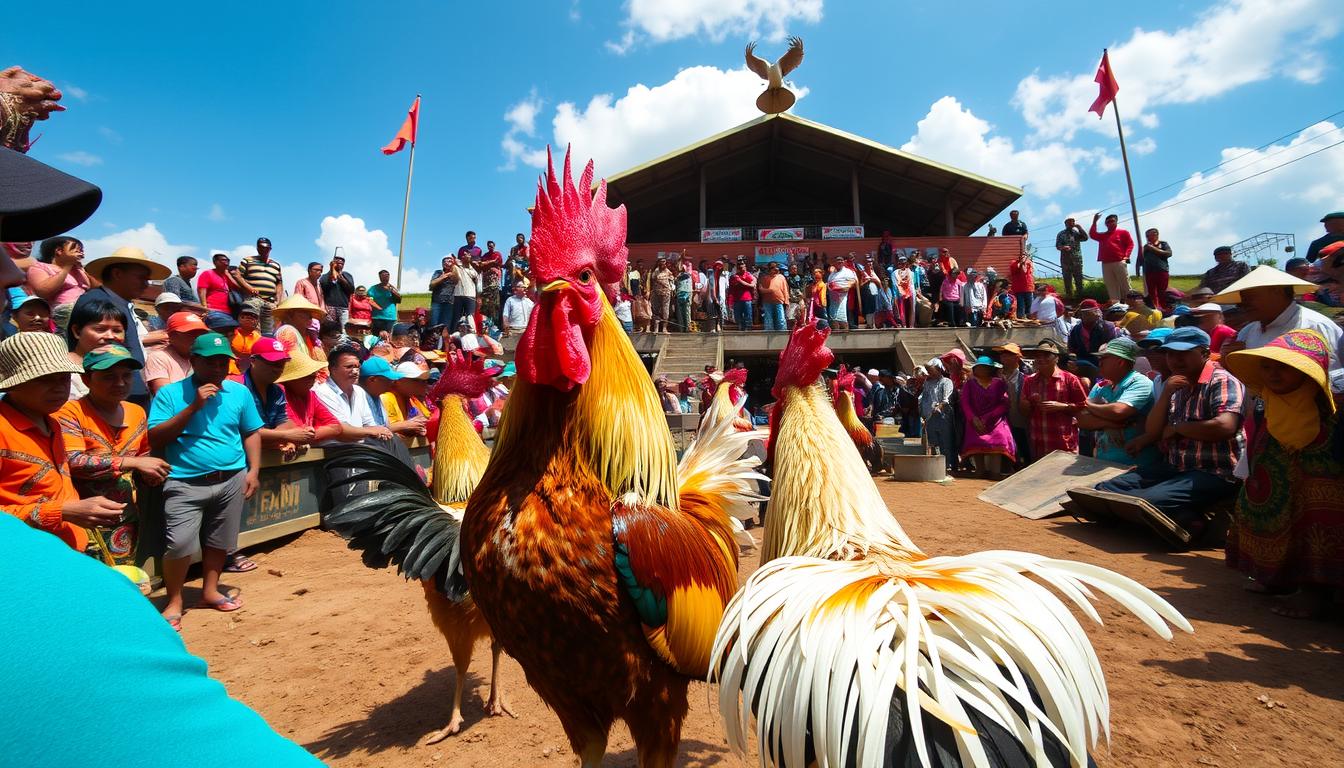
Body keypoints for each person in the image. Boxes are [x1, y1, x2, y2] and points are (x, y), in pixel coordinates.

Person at [1224, 330, 1343, 619]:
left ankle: (1315, 593)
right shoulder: (1266, 402)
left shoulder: (1332, 409)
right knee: (1267, 517)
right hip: (1271, 473)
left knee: (1315, 523)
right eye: (1267, 367)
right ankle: (1276, 578)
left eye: (1285, 368)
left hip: (1319, 479)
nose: (1274, 375)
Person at [148, 332, 263, 629]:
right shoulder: (171, 394)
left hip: (231, 477)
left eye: (223, 362)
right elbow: (156, 436)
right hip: (185, 480)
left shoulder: (239, 393)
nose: (218, 369)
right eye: (210, 362)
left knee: (219, 542)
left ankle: (210, 591)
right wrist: (193, 407)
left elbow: (251, 431)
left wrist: (253, 470)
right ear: (194, 360)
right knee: (179, 544)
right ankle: (175, 600)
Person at [0, 332, 124, 551]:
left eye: (64, 377)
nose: (59, 387)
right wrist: (63, 511)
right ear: (13, 384)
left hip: (66, 551)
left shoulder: (52, 422)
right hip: (23, 558)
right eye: (45, 379)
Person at [56, 344, 169, 565]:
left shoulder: (136, 412)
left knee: (124, 572)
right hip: (83, 515)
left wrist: (151, 474)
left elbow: (143, 454)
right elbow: (74, 461)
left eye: (126, 376)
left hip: (124, 515)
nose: (120, 383)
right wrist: (133, 462)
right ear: (87, 379)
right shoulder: (70, 412)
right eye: (109, 377)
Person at [1215, 266, 1343, 393]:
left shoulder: (1314, 326)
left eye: (1249, 297)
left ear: (1277, 291)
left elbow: (1334, 380)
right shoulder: (1247, 332)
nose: (1241, 304)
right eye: (1242, 299)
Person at [73, 246, 171, 404]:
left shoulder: (123, 304)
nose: (146, 284)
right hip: (113, 392)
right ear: (117, 274)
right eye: (141, 278)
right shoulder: (98, 302)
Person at [1075, 338, 1158, 467]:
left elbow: (1118, 411)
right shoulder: (1100, 386)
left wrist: (1088, 405)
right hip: (1103, 461)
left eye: (1104, 359)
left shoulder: (1140, 383)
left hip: (1134, 465)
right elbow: (1082, 419)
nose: (1099, 362)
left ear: (1120, 362)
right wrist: (1107, 423)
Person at [232, 337, 309, 460]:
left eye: (281, 365)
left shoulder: (277, 390)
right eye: (272, 363)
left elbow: (284, 422)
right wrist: (286, 436)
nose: (277, 369)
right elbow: (244, 430)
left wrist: (284, 436)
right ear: (253, 361)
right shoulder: (236, 387)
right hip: (238, 458)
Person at [1021, 338, 1088, 458]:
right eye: (1038, 356)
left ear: (1056, 358)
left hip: (1063, 442)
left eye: (1046, 355)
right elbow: (1024, 411)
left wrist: (1063, 406)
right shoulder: (1029, 381)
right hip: (1039, 441)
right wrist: (1029, 402)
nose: (1041, 359)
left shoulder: (1070, 379)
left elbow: (1084, 407)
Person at [315, 345, 395, 443]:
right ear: (332, 369)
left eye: (357, 367)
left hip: (362, 448)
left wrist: (380, 431)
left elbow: (369, 423)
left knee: (394, 443)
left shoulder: (359, 391)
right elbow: (341, 429)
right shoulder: (322, 392)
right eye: (349, 367)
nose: (355, 371)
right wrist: (372, 431)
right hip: (337, 451)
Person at [960, 356, 1015, 478]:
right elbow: (965, 403)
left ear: (990, 369)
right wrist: (973, 418)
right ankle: (980, 469)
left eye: (984, 367)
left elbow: (1004, 403)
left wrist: (990, 417)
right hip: (975, 420)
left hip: (995, 420)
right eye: (979, 367)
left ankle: (995, 471)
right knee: (975, 439)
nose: (981, 370)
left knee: (999, 437)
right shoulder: (969, 384)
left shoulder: (999, 383)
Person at [275, 347, 342, 446]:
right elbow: (291, 429)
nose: (313, 378)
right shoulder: (280, 393)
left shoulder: (311, 395)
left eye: (314, 374)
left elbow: (336, 427)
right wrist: (302, 435)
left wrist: (307, 435)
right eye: (307, 376)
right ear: (291, 379)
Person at [144, 311, 209, 396]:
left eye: (200, 334)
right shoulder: (159, 357)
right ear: (172, 335)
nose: (196, 338)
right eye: (191, 333)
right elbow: (165, 396)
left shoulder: (204, 357)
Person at [234, 237, 285, 334]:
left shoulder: (276, 265)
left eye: (266, 248)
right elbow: (237, 276)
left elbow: (279, 283)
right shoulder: (247, 261)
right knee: (252, 329)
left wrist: (278, 300)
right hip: (253, 299)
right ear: (257, 248)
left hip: (270, 302)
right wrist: (249, 288)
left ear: (270, 249)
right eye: (261, 247)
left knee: (268, 332)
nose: (264, 249)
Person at [27, 235, 91, 309]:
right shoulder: (39, 267)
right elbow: (43, 291)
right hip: (62, 313)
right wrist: (68, 265)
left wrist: (82, 270)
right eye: (75, 249)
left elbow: (97, 287)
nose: (80, 252)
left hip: (86, 311)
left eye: (81, 250)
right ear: (59, 251)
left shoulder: (78, 270)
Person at [994, 343, 1030, 464]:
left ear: (1017, 357)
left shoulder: (1025, 376)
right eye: (1002, 355)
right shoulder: (997, 376)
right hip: (1001, 421)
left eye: (1008, 355)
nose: (1003, 357)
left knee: (1024, 447)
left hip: (1020, 419)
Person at [919, 360, 956, 473]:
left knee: (945, 440)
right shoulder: (927, 383)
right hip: (929, 416)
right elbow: (923, 398)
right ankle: (936, 465)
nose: (930, 372)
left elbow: (946, 398)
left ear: (939, 369)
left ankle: (949, 464)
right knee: (933, 441)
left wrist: (939, 406)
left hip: (943, 416)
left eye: (932, 369)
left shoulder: (946, 381)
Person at [1089, 212, 1135, 302]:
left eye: (1112, 221)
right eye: (1108, 222)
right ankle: (1116, 307)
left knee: (1125, 285)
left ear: (1116, 222)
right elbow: (1092, 234)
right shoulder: (1102, 235)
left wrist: (1126, 256)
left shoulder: (1123, 232)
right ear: (1106, 224)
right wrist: (1094, 221)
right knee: (1111, 286)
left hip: (1119, 261)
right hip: (1106, 263)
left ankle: (1132, 304)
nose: (1110, 223)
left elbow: (1130, 244)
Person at [271, 294, 326, 363]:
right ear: (290, 315)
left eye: (309, 312)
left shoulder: (307, 336)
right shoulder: (287, 331)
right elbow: (291, 361)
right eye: (304, 312)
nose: (310, 315)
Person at [1067, 298, 1119, 367]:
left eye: (1094, 312)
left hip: (1101, 360)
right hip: (1082, 360)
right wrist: (1072, 358)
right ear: (1081, 315)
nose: (1095, 314)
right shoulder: (1076, 329)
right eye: (1086, 313)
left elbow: (1111, 347)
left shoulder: (1107, 327)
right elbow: (1071, 347)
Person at [1055, 217, 1089, 297]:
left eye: (1073, 222)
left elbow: (1085, 238)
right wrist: (1064, 247)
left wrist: (1080, 228)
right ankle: (1070, 298)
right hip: (1065, 260)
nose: (1071, 224)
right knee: (1067, 280)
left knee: (1079, 279)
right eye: (1069, 222)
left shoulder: (1076, 233)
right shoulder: (1061, 234)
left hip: (1077, 260)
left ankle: (1080, 297)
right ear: (1065, 224)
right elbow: (1058, 246)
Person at [1140, 228, 1172, 311]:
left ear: (1156, 234)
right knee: (1152, 292)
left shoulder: (1163, 244)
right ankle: (1155, 309)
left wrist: (1153, 249)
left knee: (1162, 291)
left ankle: (1164, 308)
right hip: (1149, 272)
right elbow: (1141, 258)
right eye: (1146, 236)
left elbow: (1169, 253)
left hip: (1162, 270)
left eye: (1149, 235)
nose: (1147, 237)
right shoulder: (1145, 247)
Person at [448, 252, 480, 332]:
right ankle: (453, 336)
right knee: (456, 317)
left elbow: (478, 284)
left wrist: (479, 297)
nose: (469, 256)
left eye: (470, 254)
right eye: (467, 254)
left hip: (470, 296)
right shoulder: (456, 267)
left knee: (470, 317)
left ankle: (471, 336)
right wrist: (455, 262)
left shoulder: (473, 270)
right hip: (458, 295)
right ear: (462, 257)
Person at [320, 253, 354, 326]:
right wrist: (331, 269)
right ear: (333, 263)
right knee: (329, 330)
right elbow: (324, 287)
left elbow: (351, 290)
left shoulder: (348, 275)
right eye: (337, 261)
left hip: (344, 308)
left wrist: (343, 280)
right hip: (330, 307)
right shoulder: (325, 276)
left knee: (344, 331)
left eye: (342, 262)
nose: (340, 262)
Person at [230, 301, 262, 372]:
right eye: (245, 315)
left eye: (253, 316)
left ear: (257, 322)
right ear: (238, 318)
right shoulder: (230, 333)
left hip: (248, 371)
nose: (249, 317)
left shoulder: (258, 338)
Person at [478, 240, 504, 326]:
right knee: (485, 304)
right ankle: (486, 325)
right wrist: (490, 263)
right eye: (489, 246)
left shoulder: (497, 253)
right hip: (485, 283)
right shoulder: (485, 255)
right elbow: (481, 265)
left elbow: (497, 262)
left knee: (495, 304)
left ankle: (495, 325)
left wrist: (487, 264)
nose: (490, 247)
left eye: (492, 245)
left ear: (494, 246)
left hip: (494, 282)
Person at [367, 269, 401, 336]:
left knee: (388, 337)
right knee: (376, 337)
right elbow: (369, 299)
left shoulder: (393, 288)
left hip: (390, 317)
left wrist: (391, 290)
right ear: (379, 277)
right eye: (383, 276)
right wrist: (378, 307)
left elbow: (399, 300)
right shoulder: (373, 288)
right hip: (377, 317)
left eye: (387, 276)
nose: (385, 277)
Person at [728, 257, 756, 332]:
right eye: (739, 266)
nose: (741, 268)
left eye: (743, 266)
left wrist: (741, 281)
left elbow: (752, 285)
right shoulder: (733, 277)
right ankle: (740, 329)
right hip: (737, 300)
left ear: (745, 267)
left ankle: (748, 329)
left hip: (747, 299)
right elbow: (730, 290)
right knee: (738, 316)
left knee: (748, 316)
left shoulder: (748, 275)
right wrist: (730, 301)